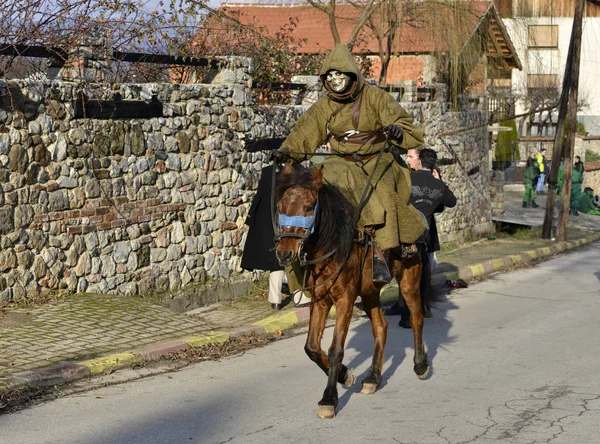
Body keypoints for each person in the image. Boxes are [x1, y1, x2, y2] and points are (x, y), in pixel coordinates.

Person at [271, 44, 427, 285]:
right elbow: (305, 132)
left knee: (384, 198)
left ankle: (383, 255)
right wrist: (286, 153)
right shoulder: (324, 106)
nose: (334, 80)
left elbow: (408, 127)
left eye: (339, 74)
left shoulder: (376, 97)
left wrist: (397, 133)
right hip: (341, 162)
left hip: (377, 159)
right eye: (329, 76)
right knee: (311, 193)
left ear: (351, 74)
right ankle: (312, 257)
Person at [385, 148, 457, 327]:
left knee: (403, 273)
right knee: (419, 274)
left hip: (405, 233)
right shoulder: (438, 185)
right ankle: (420, 310)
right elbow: (451, 202)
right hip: (424, 236)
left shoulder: (409, 180)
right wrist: (440, 183)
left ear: (420, 161)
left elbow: (397, 200)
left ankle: (405, 316)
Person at [241, 158, 311, 310]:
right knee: (291, 260)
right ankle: (299, 296)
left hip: (269, 220)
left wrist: (252, 218)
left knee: (277, 261)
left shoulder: (268, 172)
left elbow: (259, 197)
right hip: (288, 221)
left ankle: (275, 300)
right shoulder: (298, 173)